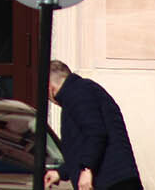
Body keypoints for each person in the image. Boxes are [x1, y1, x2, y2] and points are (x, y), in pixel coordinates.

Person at [45, 60, 143, 190]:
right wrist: (60, 173)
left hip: (112, 182)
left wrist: (87, 169)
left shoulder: (78, 93)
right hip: (115, 179)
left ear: (50, 87)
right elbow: (80, 148)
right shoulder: (80, 91)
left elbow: (96, 133)